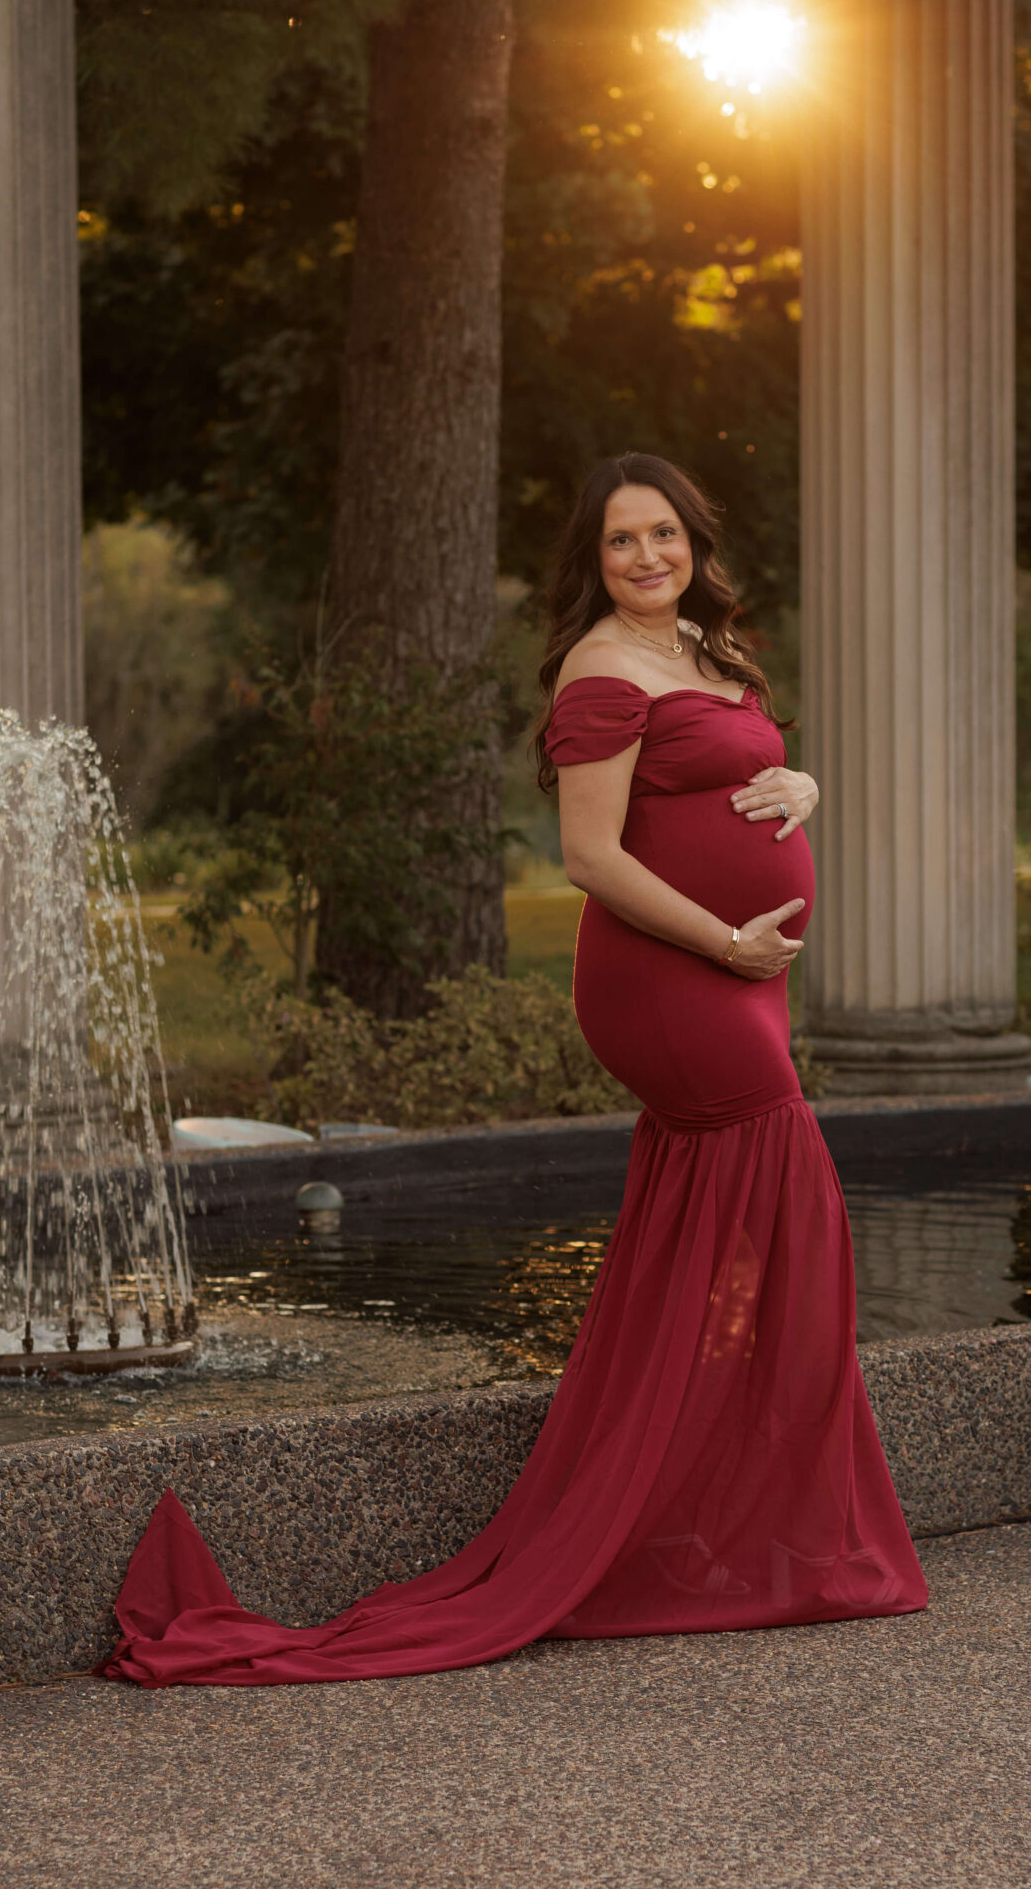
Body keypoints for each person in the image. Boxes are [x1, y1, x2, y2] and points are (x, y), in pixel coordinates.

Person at [101, 452, 927, 1686]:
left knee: (738, 1220)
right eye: (620, 543)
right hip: (673, 974)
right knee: (781, 1186)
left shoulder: (710, 646)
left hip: (743, 967)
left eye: (664, 535)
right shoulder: (602, 667)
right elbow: (590, 856)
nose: (648, 557)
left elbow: (754, 772)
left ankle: (731, 1523)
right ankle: (761, 1530)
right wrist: (727, 942)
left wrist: (805, 781)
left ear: (696, 540)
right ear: (591, 564)